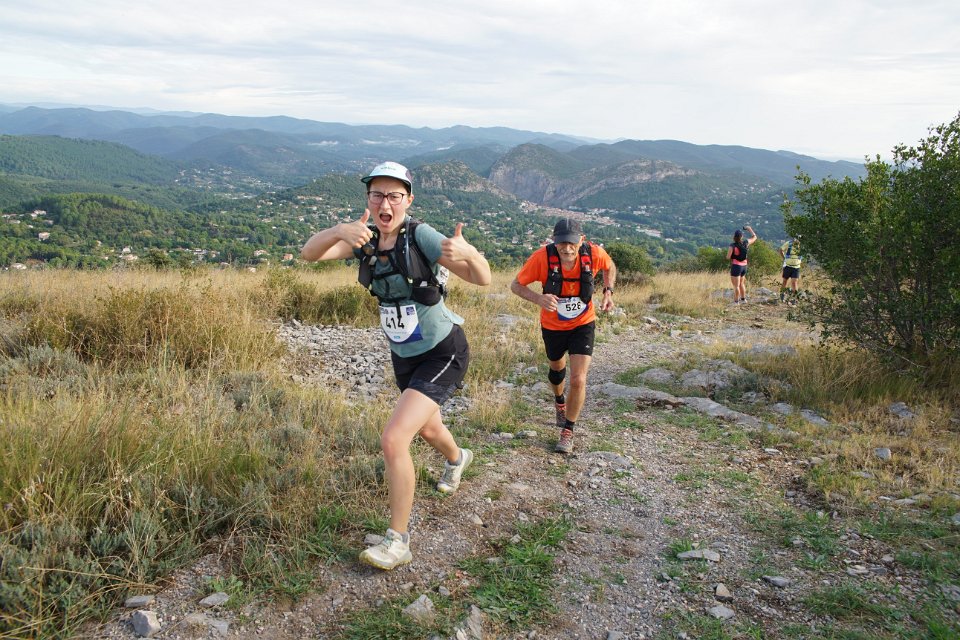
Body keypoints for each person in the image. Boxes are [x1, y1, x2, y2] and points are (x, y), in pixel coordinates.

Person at [300, 161, 491, 571]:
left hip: (443, 350)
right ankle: (458, 458)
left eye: (394, 196)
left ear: (408, 200)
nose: (385, 204)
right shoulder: (365, 239)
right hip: (404, 354)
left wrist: (470, 254)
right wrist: (338, 231)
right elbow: (309, 254)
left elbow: (483, 278)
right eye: (377, 195)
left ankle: (397, 540)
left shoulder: (420, 235)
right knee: (428, 427)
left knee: (394, 439)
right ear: (368, 199)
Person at [509, 218, 616, 454]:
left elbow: (610, 267)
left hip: (583, 323)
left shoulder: (594, 254)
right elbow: (516, 285)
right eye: (561, 244)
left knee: (578, 379)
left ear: (581, 240)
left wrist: (608, 292)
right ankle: (559, 401)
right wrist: (539, 298)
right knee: (557, 370)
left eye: (572, 243)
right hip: (553, 325)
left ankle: (568, 430)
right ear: (554, 241)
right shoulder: (541, 258)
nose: (567, 249)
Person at [726, 225, 757, 304]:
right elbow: (754, 237)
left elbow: (728, 257)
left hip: (736, 266)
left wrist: (734, 256)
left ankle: (736, 302)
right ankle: (743, 299)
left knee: (736, 286)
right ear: (742, 236)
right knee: (741, 284)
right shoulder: (746, 243)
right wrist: (749, 229)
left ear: (734, 237)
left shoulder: (732, 246)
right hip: (744, 266)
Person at [779, 236, 802, 304]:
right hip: (788, 266)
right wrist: (784, 258)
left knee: (794, 282)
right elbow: (781, 249)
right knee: (785, 281)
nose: (796, 239)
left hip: (796, 267)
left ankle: (795, 299)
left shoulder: (802, 246)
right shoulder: (788, 243)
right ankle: (782, 295)